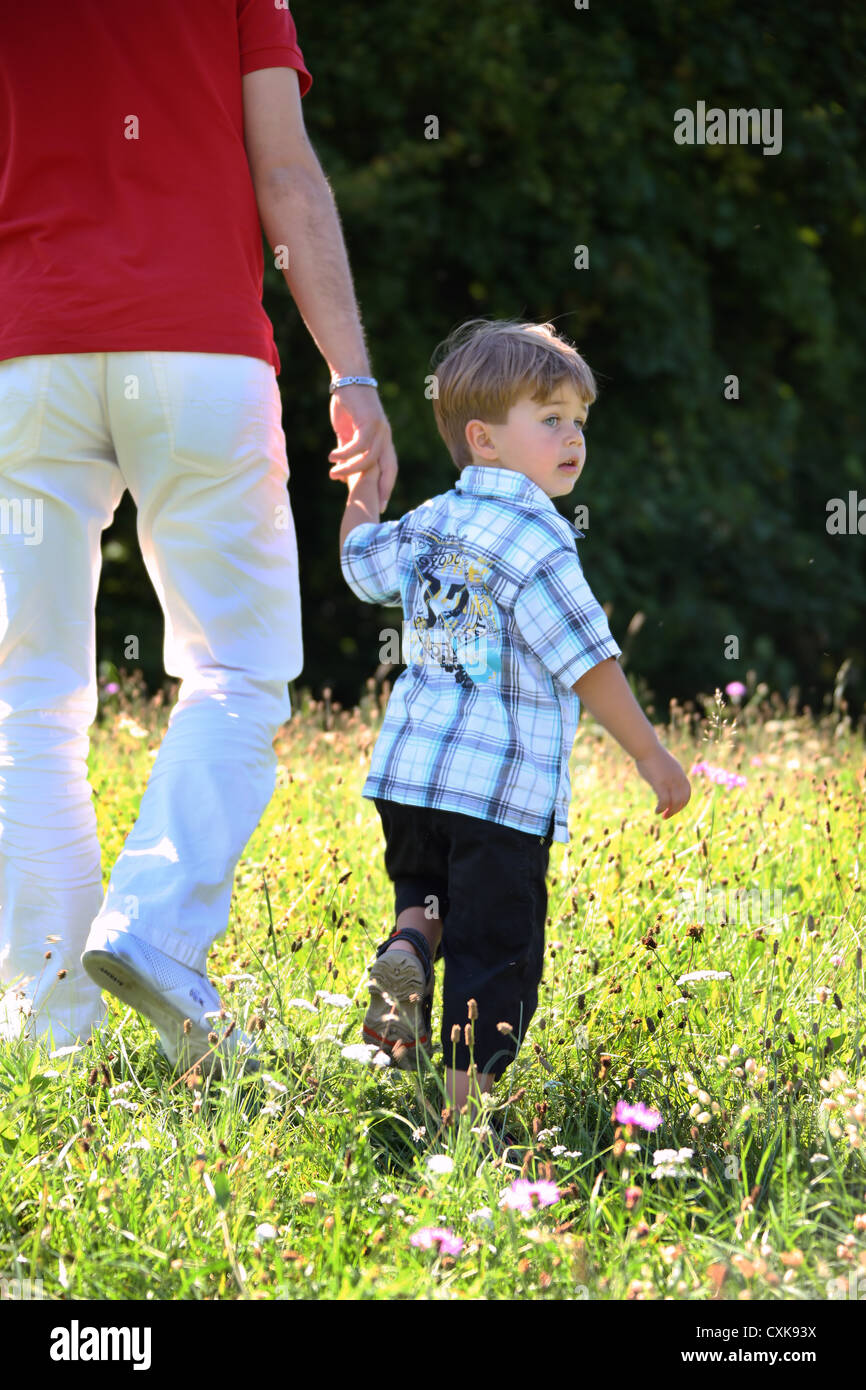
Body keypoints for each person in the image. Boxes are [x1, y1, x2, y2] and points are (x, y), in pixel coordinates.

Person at [0, 2, 393, 1070]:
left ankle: (56, 1039)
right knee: (238, 666)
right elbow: (286, 176)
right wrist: (351, 376)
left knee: (27, 701)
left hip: (27, 353)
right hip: (201, 354)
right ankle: (156, 927)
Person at [339, 318, 691, 1122]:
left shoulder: (430, 521)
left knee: (427, 898)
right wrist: (649, 755)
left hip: (412, 779)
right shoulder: (537, 540)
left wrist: (364, 486)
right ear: (484, 440)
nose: (574, 438)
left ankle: (407, 946)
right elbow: (588, 660)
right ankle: (463, 1121)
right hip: (496, 798)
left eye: (580, 421)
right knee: (496, 951)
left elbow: (360, 566)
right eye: (552, 419)